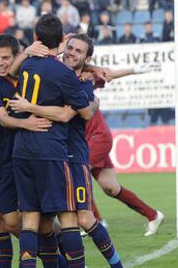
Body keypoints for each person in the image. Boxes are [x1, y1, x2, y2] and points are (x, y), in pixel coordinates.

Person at [10, 33, 124, 268]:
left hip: (73, 156)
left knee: (82, 217)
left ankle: (117, 265)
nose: (72, 53)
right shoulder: (51, 72)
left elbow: (73, 114)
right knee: (47, 221)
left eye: (78, 51)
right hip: (50, 154)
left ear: (87, 57)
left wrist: (30, 107)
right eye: (69, 48)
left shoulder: (81, 82)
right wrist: (29, 51)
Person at [0, 34, 53, 267]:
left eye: (5, 58)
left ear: (16, 57)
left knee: (43, 223)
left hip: (35, 156)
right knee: (10, 221)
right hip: (5, 159)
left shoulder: (29, 78)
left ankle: (68, 254)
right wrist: (25, 123)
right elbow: (2, 118)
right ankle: (60, 258)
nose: (0, 63)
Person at [86, 64, 165, 237]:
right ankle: (153, 215)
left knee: (78, 175)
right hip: (88, 140)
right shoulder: (63, 77)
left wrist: (136, 70)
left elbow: (109, 74)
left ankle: (95, 222)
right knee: (111, 188)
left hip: (97, 137)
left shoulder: (83, 77)